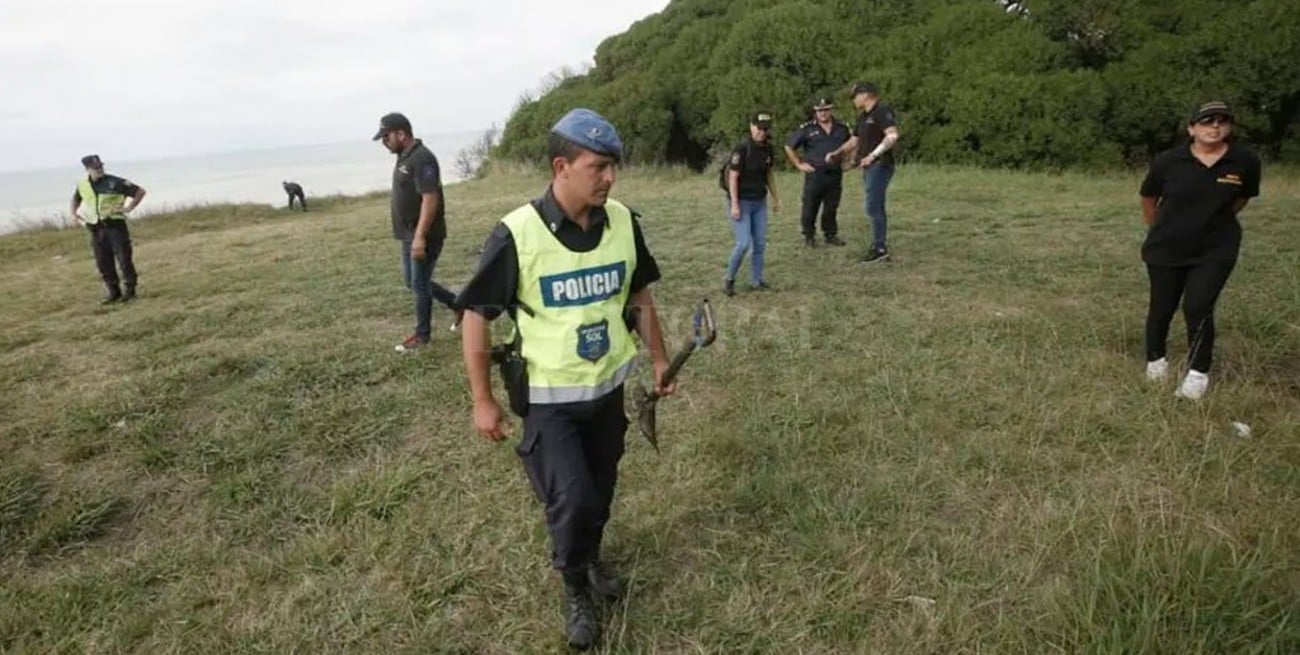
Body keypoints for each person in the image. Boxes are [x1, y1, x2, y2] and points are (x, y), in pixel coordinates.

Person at [454, 108, 676, 650]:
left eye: (613, 167)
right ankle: (575, 586)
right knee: (572, 498)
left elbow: (639, 295)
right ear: (562, 166)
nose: (610, 178)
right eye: (599, 167)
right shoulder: (517, 234)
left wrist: (658, 359)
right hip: (549, 404)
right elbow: (477, 315)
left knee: (599, 493)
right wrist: (482, 401)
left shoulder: (622, 221)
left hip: (607, 395)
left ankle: (591, 556)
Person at [1138, 100, 1261, 400]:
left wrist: (1212, 222)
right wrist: (1163, 229)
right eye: (1207, 121)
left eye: (1222, 120)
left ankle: (1197, 374)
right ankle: (1156, 362)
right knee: (1162, 307)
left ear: (1229, 127)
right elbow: (1148, 197)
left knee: (1198, 306)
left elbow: (1242, 198)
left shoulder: (1244, 161)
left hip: (1216, 249)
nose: (1215, 126)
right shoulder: (1169, 161)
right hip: (1166, 247)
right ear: (1192, 128)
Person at [373, 112, 460, 351]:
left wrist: (420, 237)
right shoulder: (404, 156)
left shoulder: (422, 158)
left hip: (425, 234)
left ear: (401, 134)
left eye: (386, 136)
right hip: (408, 233)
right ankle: (458, 304)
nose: (384, 142)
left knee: (419, 284)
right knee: (413, 283)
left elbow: (430, 199)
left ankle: (422, 337)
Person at [830, 82, 900, 262]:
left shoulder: (882, 111)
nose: (853, 100)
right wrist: (838, 153)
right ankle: (879, 244)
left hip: (880, 164)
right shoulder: (863, 117)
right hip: (869, 166)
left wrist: (872, 155)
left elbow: (892, 136)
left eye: (855, 96)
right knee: (874, 205)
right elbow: (855, 140)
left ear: (866, 95)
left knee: (873, 206)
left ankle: (880, 248)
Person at [70, 154, 146, 303]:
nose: (99, 169)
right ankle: (113, 292)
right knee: (103, 262)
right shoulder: (82, 184)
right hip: (95, 228)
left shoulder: (115, 182)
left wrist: (129, 207)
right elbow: (76, 199)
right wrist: (74, 214)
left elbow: (140, 192)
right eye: (95, 167)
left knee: (124, 260)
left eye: (101, 166)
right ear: (87, 169)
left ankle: (130, 291)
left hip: (115, 226)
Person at [722, 111, 780, 297]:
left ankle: (756, 280)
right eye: (758, 128)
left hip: (759, 202)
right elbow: (733, 176)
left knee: (760, 244)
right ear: (751, 126)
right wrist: (735, 204)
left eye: (765, 129)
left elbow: (769, 174)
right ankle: (729, 278)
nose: (761, 132)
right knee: (743, 243)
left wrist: (775, 197)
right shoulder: (742, 148)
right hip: (742, 201)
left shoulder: (768, 149)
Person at [784, 97, 850, 247]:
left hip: (834, 173)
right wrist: (799, 164)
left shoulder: (842, 127)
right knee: (810, 207)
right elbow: (789, 146)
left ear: (831, 109)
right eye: (819, 110)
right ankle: (809, 236)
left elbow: (852, 144)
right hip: (815, 173)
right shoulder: (807, 129)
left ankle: (830, 234)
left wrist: (849, 161)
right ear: (815, 111)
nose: (823, 114)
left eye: (826, 110)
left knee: (831, 206)